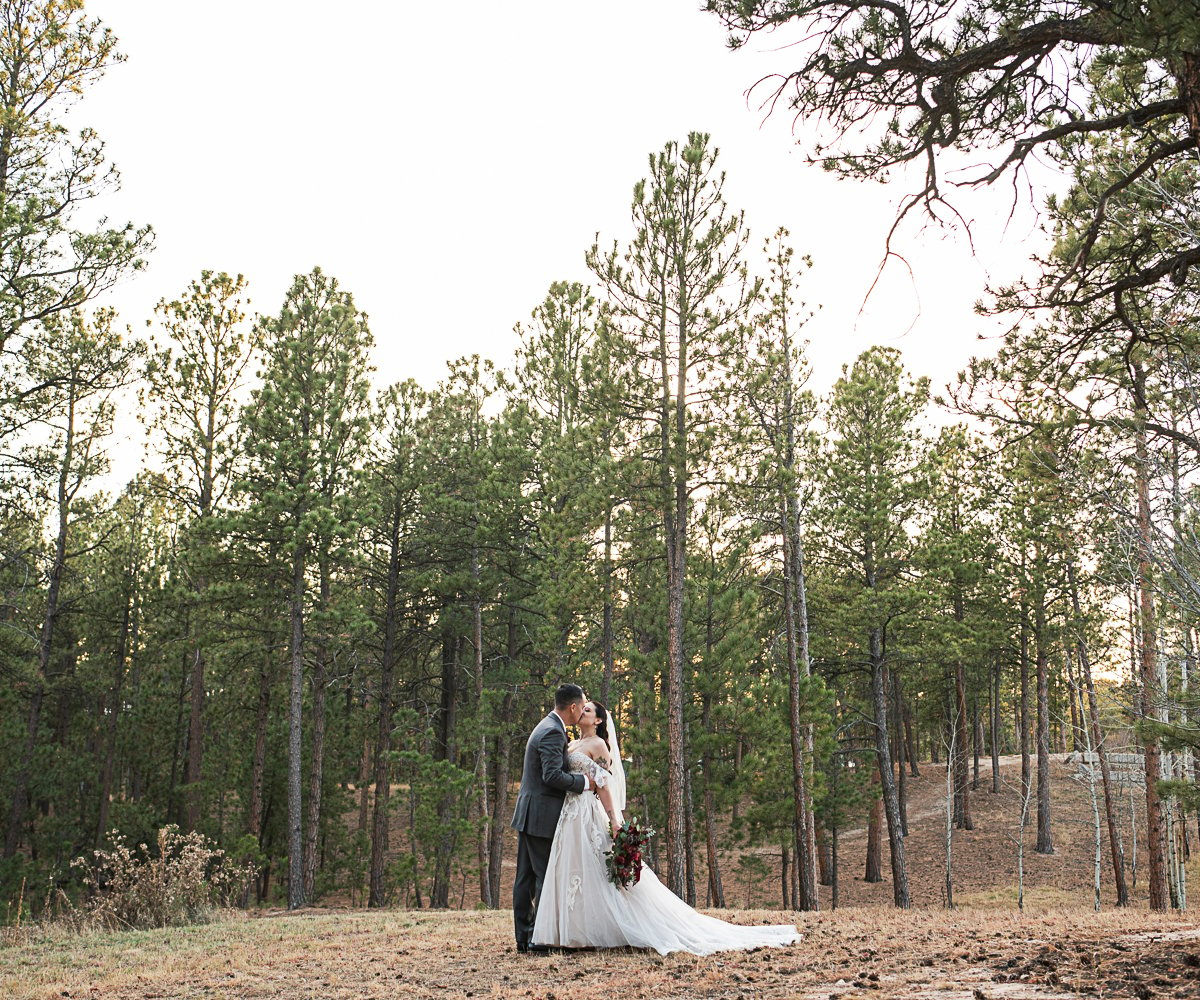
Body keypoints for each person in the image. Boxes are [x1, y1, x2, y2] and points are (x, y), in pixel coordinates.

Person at [532, 699, 801, 956]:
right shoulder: (573, 742)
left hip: (588, 813)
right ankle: (575, 932)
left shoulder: (599, 745)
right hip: (569, 813)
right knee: (575, 869)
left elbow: (604, 784)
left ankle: (607, 929)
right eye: (583, 708)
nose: (582, 712)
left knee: (596, 870)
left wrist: (615, 819)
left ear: (598, 719)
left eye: (588, 710)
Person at [511, 682, 596, 954]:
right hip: (540, 816)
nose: (583, 710)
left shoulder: (547, 725)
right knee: (543, 877)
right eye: (582, 706)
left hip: (530, 812)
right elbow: (552, 776)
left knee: (525, 878)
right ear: (572, 707)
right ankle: (538, 940)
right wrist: (583, 782)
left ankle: (525, 938)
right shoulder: (552, 733)